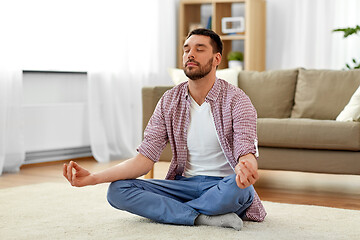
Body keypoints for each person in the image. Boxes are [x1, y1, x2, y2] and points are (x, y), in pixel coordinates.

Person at [63, 28, 266, 231]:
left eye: (199, 49)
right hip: (182, 185)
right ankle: (203, 217)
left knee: (242, 190)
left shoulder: (238, 100)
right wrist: (94, 178)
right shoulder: (169, 100)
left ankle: (180, 214)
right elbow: (144, 161)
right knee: (118, 190)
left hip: (223, 185)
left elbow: (245, 151)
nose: (190, 54)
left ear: (216, 58)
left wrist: (246, 167)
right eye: (186, 50)